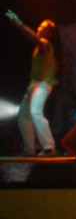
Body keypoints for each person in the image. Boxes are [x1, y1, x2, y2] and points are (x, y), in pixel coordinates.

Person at [5, 10, 59, 157]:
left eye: (43, 28)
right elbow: (55, 64)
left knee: (35, 112)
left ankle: (49, 147)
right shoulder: (43, 48)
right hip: (34, 86)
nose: (39, 28)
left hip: (42, 85)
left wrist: (18, 23)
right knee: (23, 116)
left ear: (48, 34)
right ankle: (29, 150)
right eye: (40, 26)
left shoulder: (45, 43)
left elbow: (34, 39)